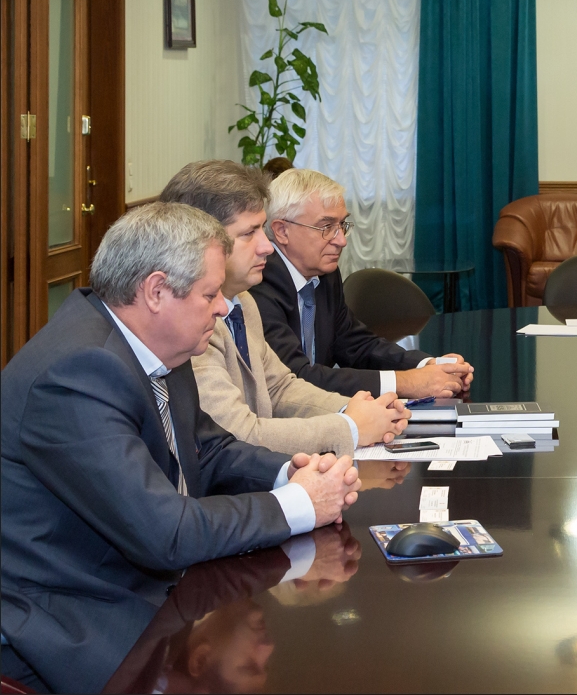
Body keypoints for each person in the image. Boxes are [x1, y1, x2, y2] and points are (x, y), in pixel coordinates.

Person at [0, 203, 361, 693]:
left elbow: (207, 448)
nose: (224, 308)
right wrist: (299, 504)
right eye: (210, 294)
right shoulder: (79, 374)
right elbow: (165, 532)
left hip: (147, 591)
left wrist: (292, 472)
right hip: (75, 621)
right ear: (155, 291)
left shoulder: (156, 343)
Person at [160, 161, 409, 456]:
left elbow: (280, 388)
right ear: (198, 242)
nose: (267, 247)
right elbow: (238, 434)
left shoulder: (243, 302)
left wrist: (355, 409)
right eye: (249, 233)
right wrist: (350, 427)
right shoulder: (189, 322)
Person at [249, 169, 474, 397]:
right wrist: (405, 382)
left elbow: (355, 345)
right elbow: (295, 377)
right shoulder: (258, 284)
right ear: (282, 231)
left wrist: (426, 365)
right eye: (326, 227)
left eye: (342, 225)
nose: (341, 240)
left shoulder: (324, 273)